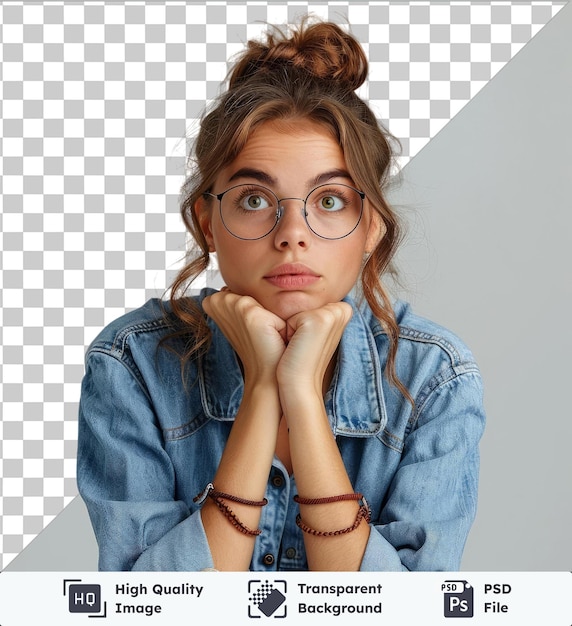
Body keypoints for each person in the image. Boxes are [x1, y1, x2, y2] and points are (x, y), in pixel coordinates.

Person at [77, 18, 485, 572]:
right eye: (253, 199)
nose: (291, 233)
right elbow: (151, 607)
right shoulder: (133, 366)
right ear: (207, 223)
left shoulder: (434, 379)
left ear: (372, 228)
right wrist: (262, 392)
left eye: (330, 201)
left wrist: (301, 394)